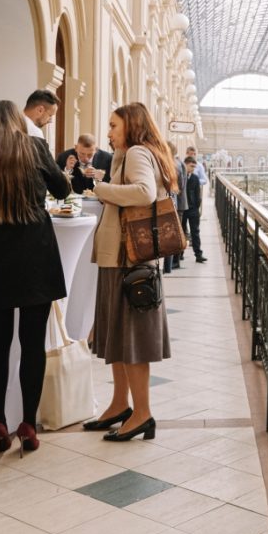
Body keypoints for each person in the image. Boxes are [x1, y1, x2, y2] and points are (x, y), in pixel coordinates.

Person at [0, 100, 70, 454]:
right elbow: (63, 190)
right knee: (32, 343)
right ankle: (29, 425)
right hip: (36, 253)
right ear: (19, 123)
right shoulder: (33, 147)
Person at [83, 102, 175, 441]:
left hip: (129, 260)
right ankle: (120, 404)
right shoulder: (131, 153)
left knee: (132, 341)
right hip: (119, 258)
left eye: (113, 126)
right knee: (119, 338)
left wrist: (101, 189)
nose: (108, 133)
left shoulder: (137, 152)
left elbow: (144, 192)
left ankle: (143, 413)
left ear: (131, 127)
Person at [163, 143, 188, 273]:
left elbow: (178, 186)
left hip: (170, 203)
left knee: (169, 235)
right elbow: (181, 185)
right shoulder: (177, 163)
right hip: (175, 202)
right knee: (171, 235)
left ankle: (168, 266)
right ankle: (169, 266)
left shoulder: (171, 165)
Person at [183, 156, 206, 263]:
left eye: (194, 167)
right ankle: (179, 254)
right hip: (182, 209)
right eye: (191, 166)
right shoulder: (180, 176)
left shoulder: (195, 178)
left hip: (192, 209)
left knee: (195, 232)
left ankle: (198, 255)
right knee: (182, 232)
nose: (192, 168)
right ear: (185, 164)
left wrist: (196, 207)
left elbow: (198, 194)